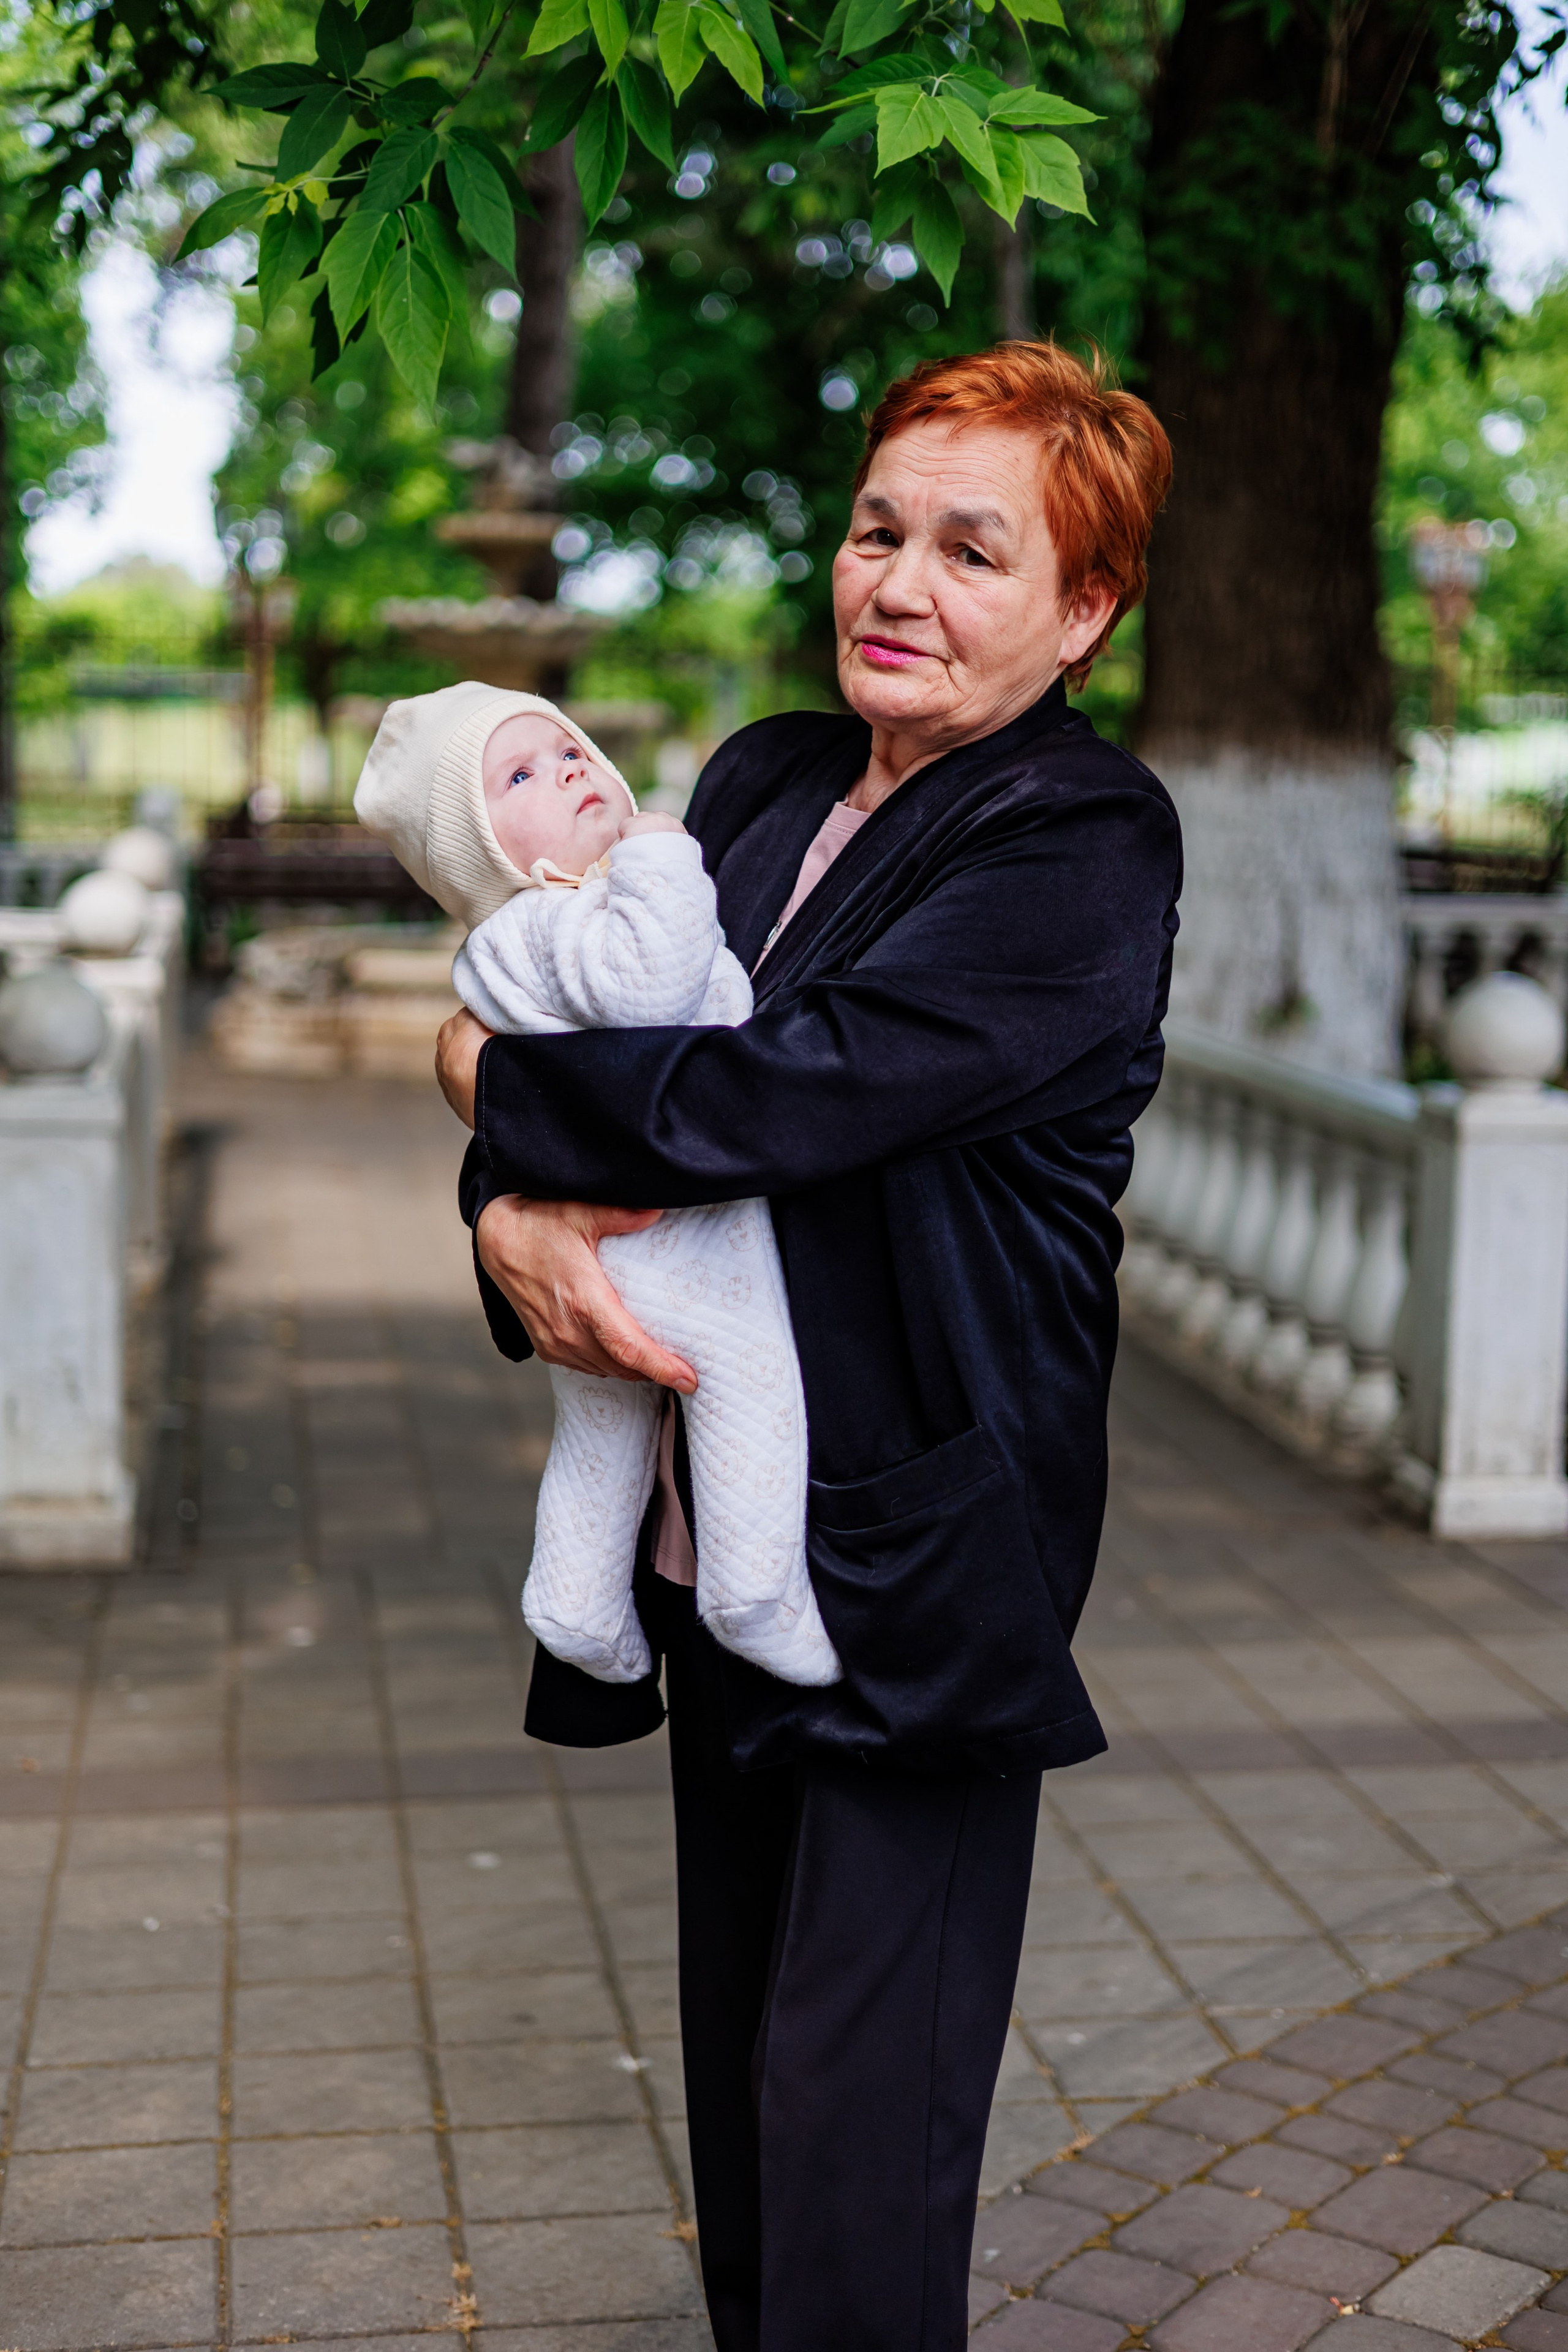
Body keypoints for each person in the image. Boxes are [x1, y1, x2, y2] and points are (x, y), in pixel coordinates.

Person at [435, 340, 1180, 2352]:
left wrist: (476, 1078)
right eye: (877, 528)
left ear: (1083, 610)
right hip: (715, 1532)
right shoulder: (764, 775)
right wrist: (501, 1187)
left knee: (862, 2148)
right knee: (753, 2118)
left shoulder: (1080, 840)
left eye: (973, 550)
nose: (899, 584)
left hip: (918, 1568)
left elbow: (780, 1092)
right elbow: (609, 1036)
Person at [353, 687, 837, 1689]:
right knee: (749, 1384)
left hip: (607, 1251)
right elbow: (651, 993)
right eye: (520, 777)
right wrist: (660, 851)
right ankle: (755, 1593)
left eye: (569, 749)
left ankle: (574, 1599)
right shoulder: (550, 921)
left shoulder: (545, 923)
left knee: (601, 1433)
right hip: (674, 1242)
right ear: (492, 859)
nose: (568, 769)